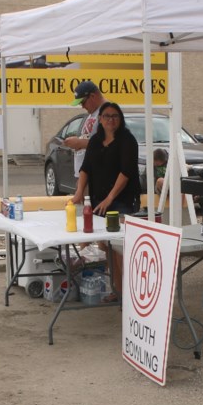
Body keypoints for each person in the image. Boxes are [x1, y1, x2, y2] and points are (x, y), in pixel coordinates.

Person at [72, 102, 142, 299]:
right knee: (106, 246)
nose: (111, 120)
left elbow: (126, 172)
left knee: (119, 247)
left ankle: (128, 293)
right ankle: (117, 289)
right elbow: (85, 168)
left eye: (115, 116)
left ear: (120, 119)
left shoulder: (127, 140)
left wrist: (110, 198)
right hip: (98, 200)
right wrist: (78, 194)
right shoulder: (95, 140)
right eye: (107, 116)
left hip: (121, 201)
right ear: (100, 120)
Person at [62, 80, 107, 178]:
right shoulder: (93, 113)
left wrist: (79, 143)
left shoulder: (107, 112)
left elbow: (108, 143)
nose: (82, 106)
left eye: (83, 102)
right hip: (86, 175)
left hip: (97, 176)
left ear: (92, 96)